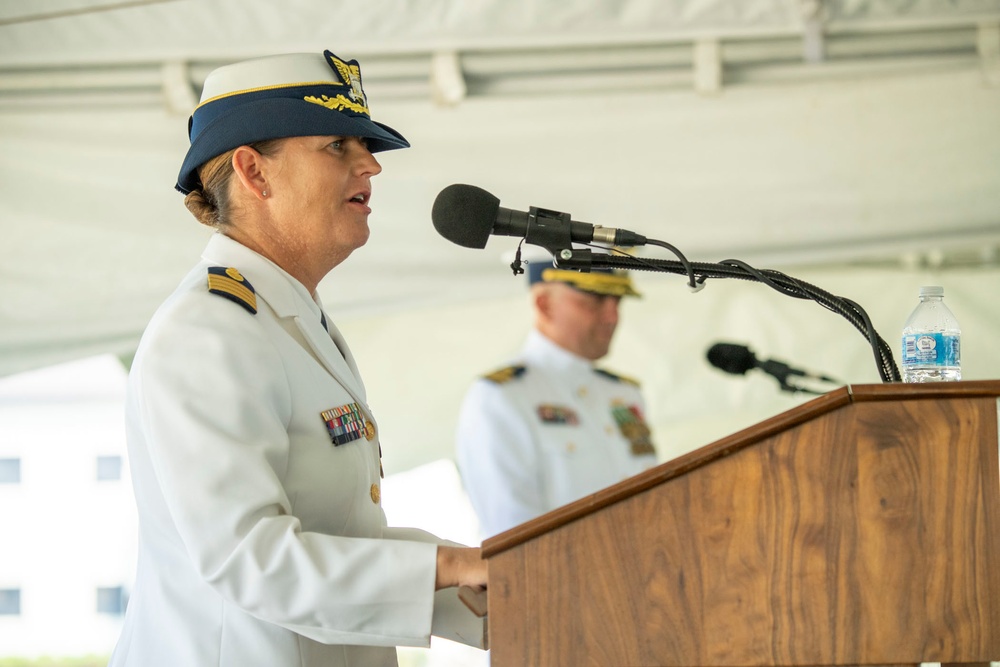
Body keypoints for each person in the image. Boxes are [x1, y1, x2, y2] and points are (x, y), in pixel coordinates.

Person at [109, 49, 486, 667]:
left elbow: (340, 538)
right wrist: (445, 566)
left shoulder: (289, 319)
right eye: (338, 144)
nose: (370, 165)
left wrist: (496, 591)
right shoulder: (207, 330)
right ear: (254, 173)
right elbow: (250, 559)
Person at [456, 259, 659, 540]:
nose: (613, 317)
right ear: (544, 304)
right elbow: (513, 536)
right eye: (596, 299)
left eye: (618, 301)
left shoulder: (623, 394)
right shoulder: (501, 398)